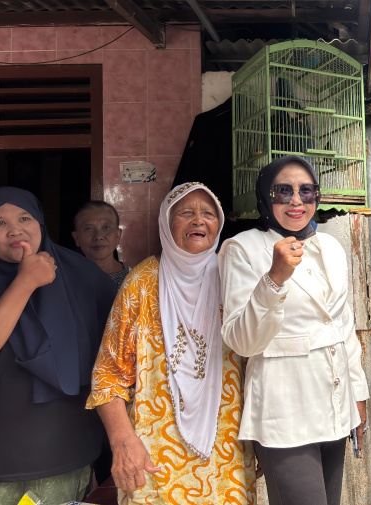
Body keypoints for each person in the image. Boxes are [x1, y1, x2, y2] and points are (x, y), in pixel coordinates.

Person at [87, 182, 254, 504]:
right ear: (166, 222)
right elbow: (107, 376)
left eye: (208, 213)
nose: (198, 220)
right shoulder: (142, 283)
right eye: (185, 213)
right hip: (152, 455)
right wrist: (122, 441)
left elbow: (258, 359)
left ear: (219, 223)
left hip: (229, 453)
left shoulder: (234, 278)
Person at [219, 155, 369, 505]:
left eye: (307, 190)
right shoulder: (243, 248)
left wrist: (357, 394)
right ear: (264, 198)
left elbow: (343, 325)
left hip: (334, 402)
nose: (297, 201)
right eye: (282, 191)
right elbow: (242, 340)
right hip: (284, 409)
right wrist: (274, 279)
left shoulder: (330, 246)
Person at [0, 187, 116, 505]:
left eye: (24, 217)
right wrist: (25, 282)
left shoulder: (82, 276)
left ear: (40, 226)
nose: (15, 229)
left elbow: (122, 353)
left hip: (66, 453)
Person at [72, 201, 130, 289]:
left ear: (118, 235)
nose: (98, 236)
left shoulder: (135, 280)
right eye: (89, 229)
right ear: (76, 238)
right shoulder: (67, 280)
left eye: (106, 227)